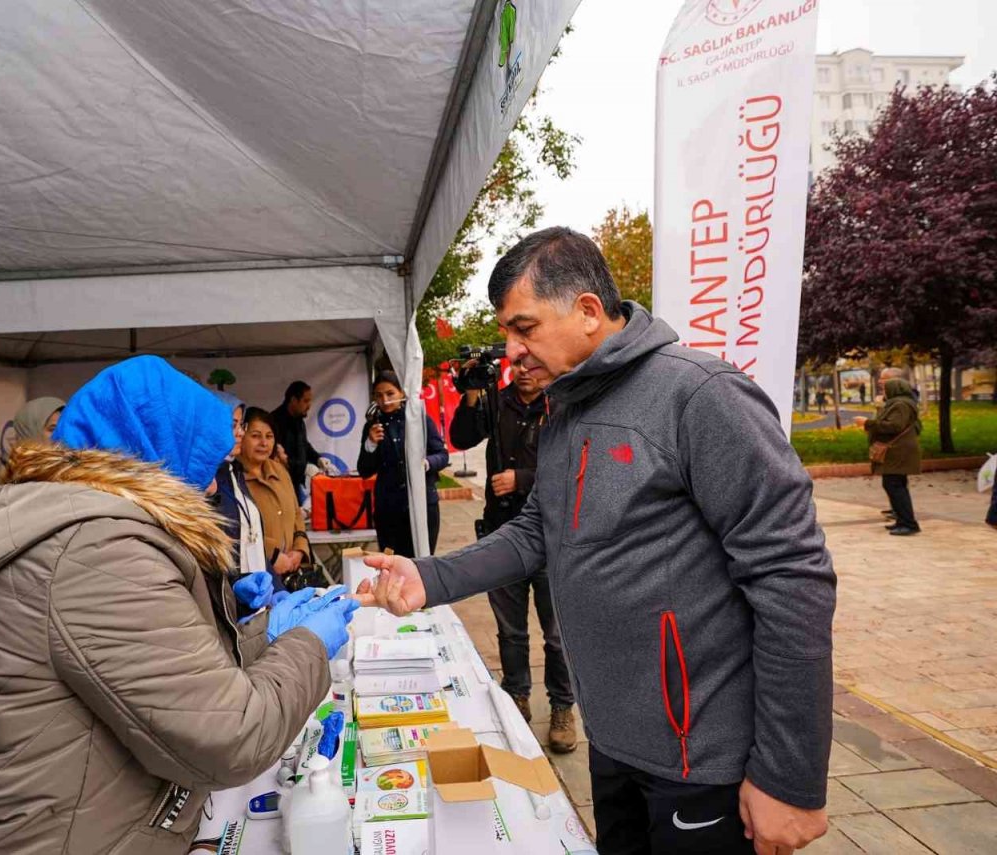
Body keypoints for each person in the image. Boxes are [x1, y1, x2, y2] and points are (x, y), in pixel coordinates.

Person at [357, 227, 835, 855]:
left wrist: (789, 778)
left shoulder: (700, 395)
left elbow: (792, 579)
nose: (512, 350)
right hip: (611, 741)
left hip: (699, 759)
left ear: (586, 310)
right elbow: (538, 529)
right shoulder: (568, 407)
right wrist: (431, 578)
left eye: (524, 328)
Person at [0, 355, 358, 855]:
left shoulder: (81, 528)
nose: (210, 488)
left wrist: (263, 632)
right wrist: (308, 644)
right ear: (155, 453)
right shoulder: (96, 551)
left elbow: (166, 671)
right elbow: (232, 737)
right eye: (203, 464)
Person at [450, 360, 576, 753]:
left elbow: (576, 465)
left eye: (530, 363)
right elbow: (461, 438)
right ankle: (517, 697)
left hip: (551, 536)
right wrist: (470, 392)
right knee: (511, 630)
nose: (524, 370)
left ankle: (562, 707)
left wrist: (522, 479)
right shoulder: (495, 401)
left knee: (557, 635)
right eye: (516, 364)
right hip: (502, 532)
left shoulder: (563, 403)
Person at [357, 371, 450, 556]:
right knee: (392, 564)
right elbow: (364, 470)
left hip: (422, 504)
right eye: (379, 395)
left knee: (422, 562)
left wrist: (426, 463)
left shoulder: (419, 419)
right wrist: (370, 445)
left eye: (390, 393)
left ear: (402, 393)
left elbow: (442, 454)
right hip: (389, 509)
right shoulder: (372, 425)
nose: (384, 400)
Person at [240, 407, 313, 589]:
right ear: (241, 436)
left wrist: (299, 550)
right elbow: (235, 529)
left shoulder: (279, 470)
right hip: (257, 577)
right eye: (256, 436)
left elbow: (296, 515)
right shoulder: (233, 478)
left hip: (292, 573)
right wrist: (272, 555)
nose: (264, 443)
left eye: (269, 436)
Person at [856, 368, 922, 536]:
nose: (883, 389)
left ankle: (908, 523)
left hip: (897, 451)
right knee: (895, 484)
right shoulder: (898, 402)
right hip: (897, 451)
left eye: (886, 387)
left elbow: (893, 426)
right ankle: (902, 520)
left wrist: (867, 423)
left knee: (894, 485)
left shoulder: (900, 404)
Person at [210, 392, 268, 582]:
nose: (240, 432)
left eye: (241, 425)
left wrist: (276, 588)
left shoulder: (233, 471)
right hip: (228, 599)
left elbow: (254, 540)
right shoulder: (206, 480)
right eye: (232, 425)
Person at [271, 381, 323, 495]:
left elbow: (304, 444)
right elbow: (275, 456)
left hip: (295, 483)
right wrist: (301, 467)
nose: (309, 405)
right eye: (306, 401)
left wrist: (318, 459)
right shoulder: (275, 422)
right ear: (294, 400)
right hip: (279, 484)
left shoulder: (299, 420)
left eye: (310, 401)